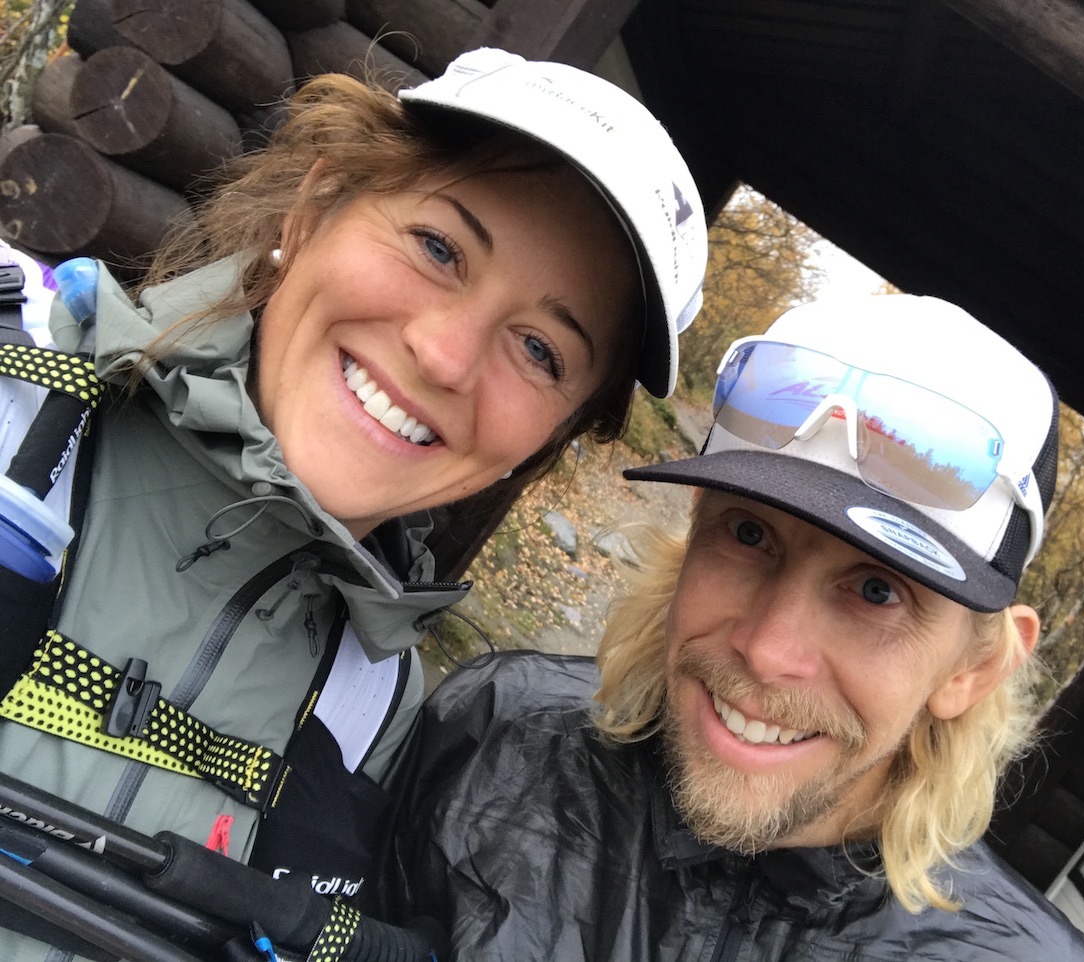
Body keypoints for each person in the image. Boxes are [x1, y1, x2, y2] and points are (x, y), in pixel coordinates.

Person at [0, 46, 706, 960]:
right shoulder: (15, 389)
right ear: (314, 206)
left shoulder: (368, 704)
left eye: (540, 350)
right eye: (438, 247)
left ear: (550, 436)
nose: (445, 356)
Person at [372, 294, 1084, 960]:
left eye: (878, 591)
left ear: (971, 670)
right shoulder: (493, 736)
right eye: (749, 535)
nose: (766, 650)